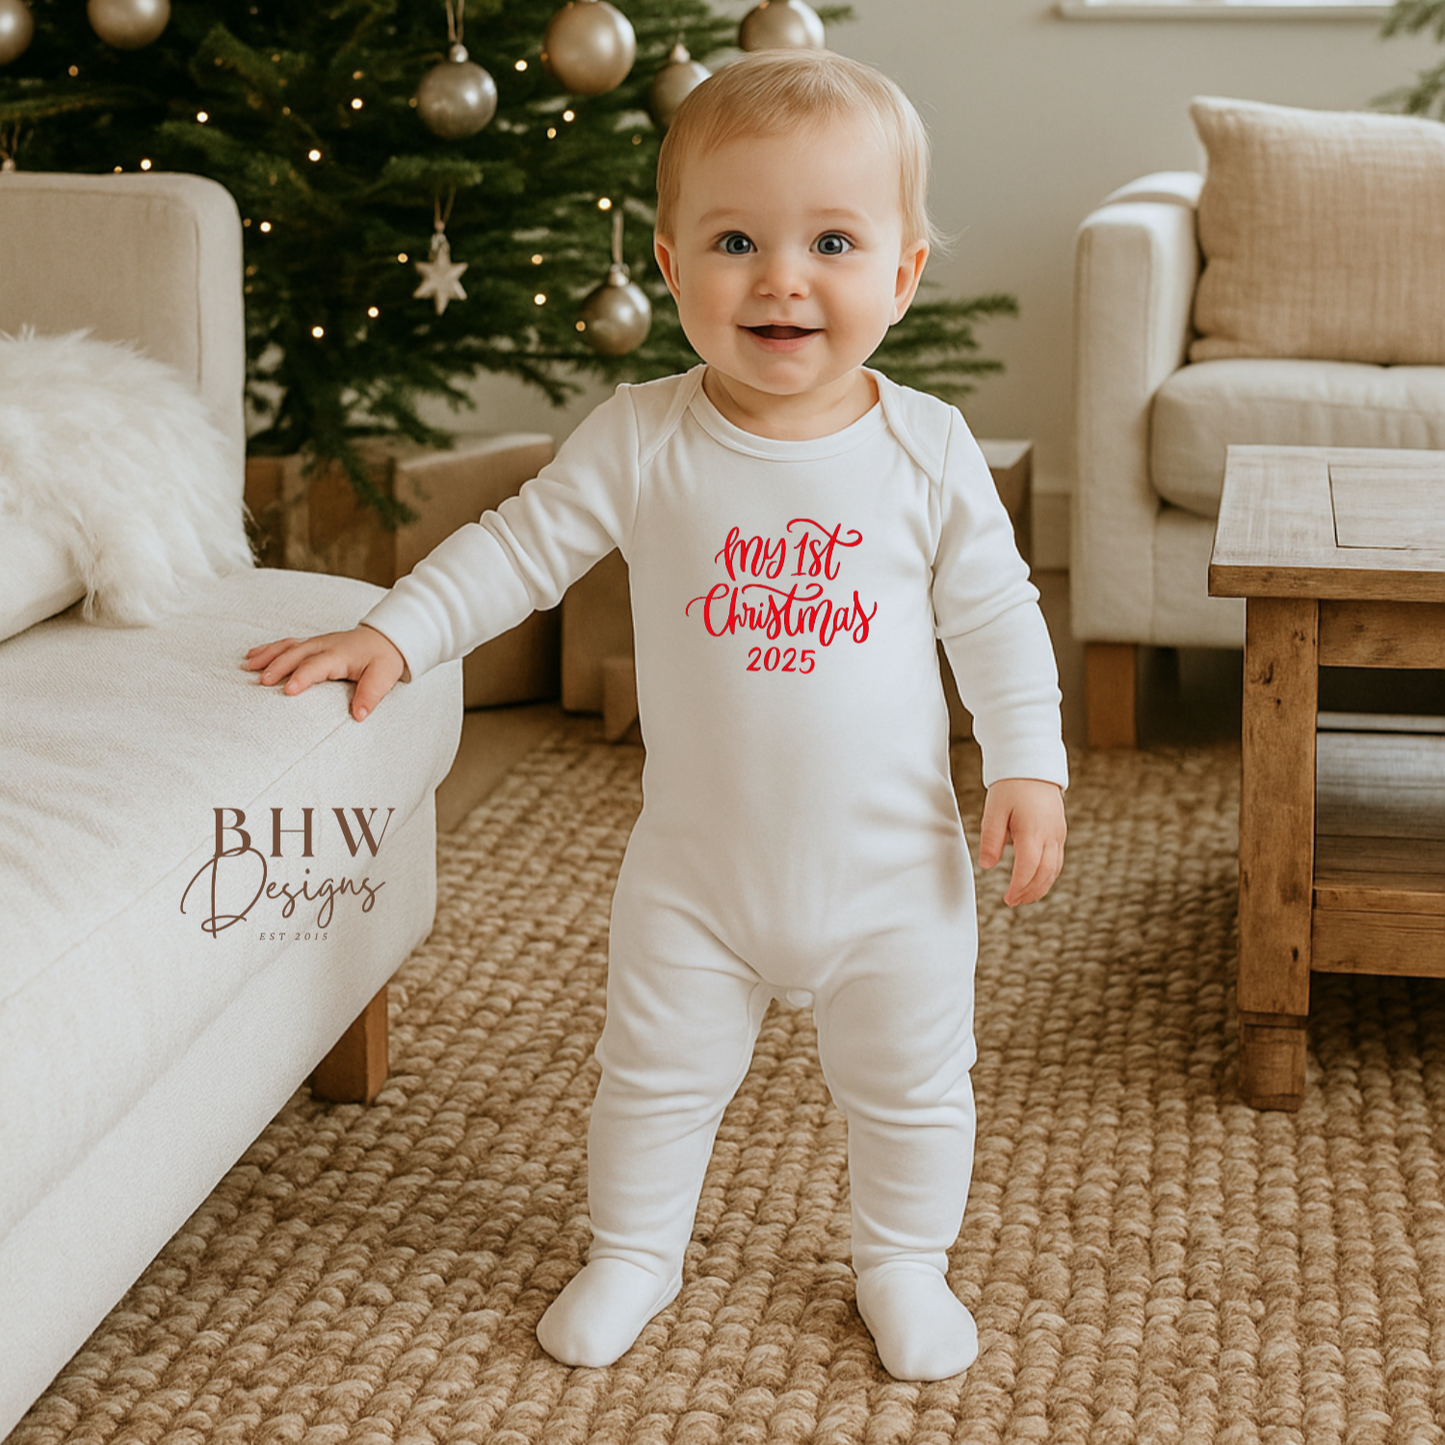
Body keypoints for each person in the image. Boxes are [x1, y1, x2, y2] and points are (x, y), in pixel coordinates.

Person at [244, 48, 1068, 1381]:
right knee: (654, 1079)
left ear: (903, 274)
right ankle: (634, 1251)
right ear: (674, 272)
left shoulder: (924, 447)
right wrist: (397, 628)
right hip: (695, 875)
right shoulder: (644, 435)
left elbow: (997, 616)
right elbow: (515, 549)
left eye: (833, 241)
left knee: (914, 1092)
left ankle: (901, 1263)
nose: (782, 278)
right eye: (736, 240)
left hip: (895, 876)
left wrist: (1030, 761)